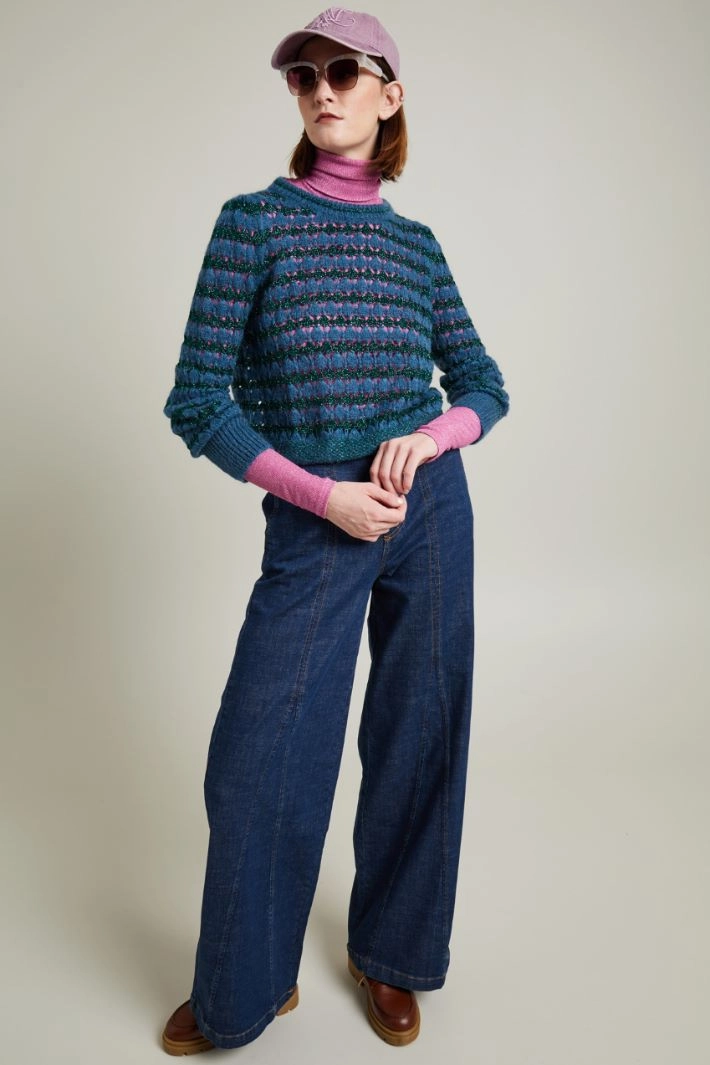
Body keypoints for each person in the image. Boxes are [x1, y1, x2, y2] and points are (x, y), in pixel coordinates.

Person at [160, 7, 509, 1055]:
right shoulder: (253, 226)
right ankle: (247, 982)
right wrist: (322, 497)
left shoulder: (414, 245)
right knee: (261, 755)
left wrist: (431, 436)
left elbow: (484, 385)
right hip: (319, 520)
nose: (322, 89)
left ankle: (392, 953)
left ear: (389, 95)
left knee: (420, 731)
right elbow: (197, 402)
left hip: (428, 512)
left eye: (346, 72)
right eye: (304, 75)